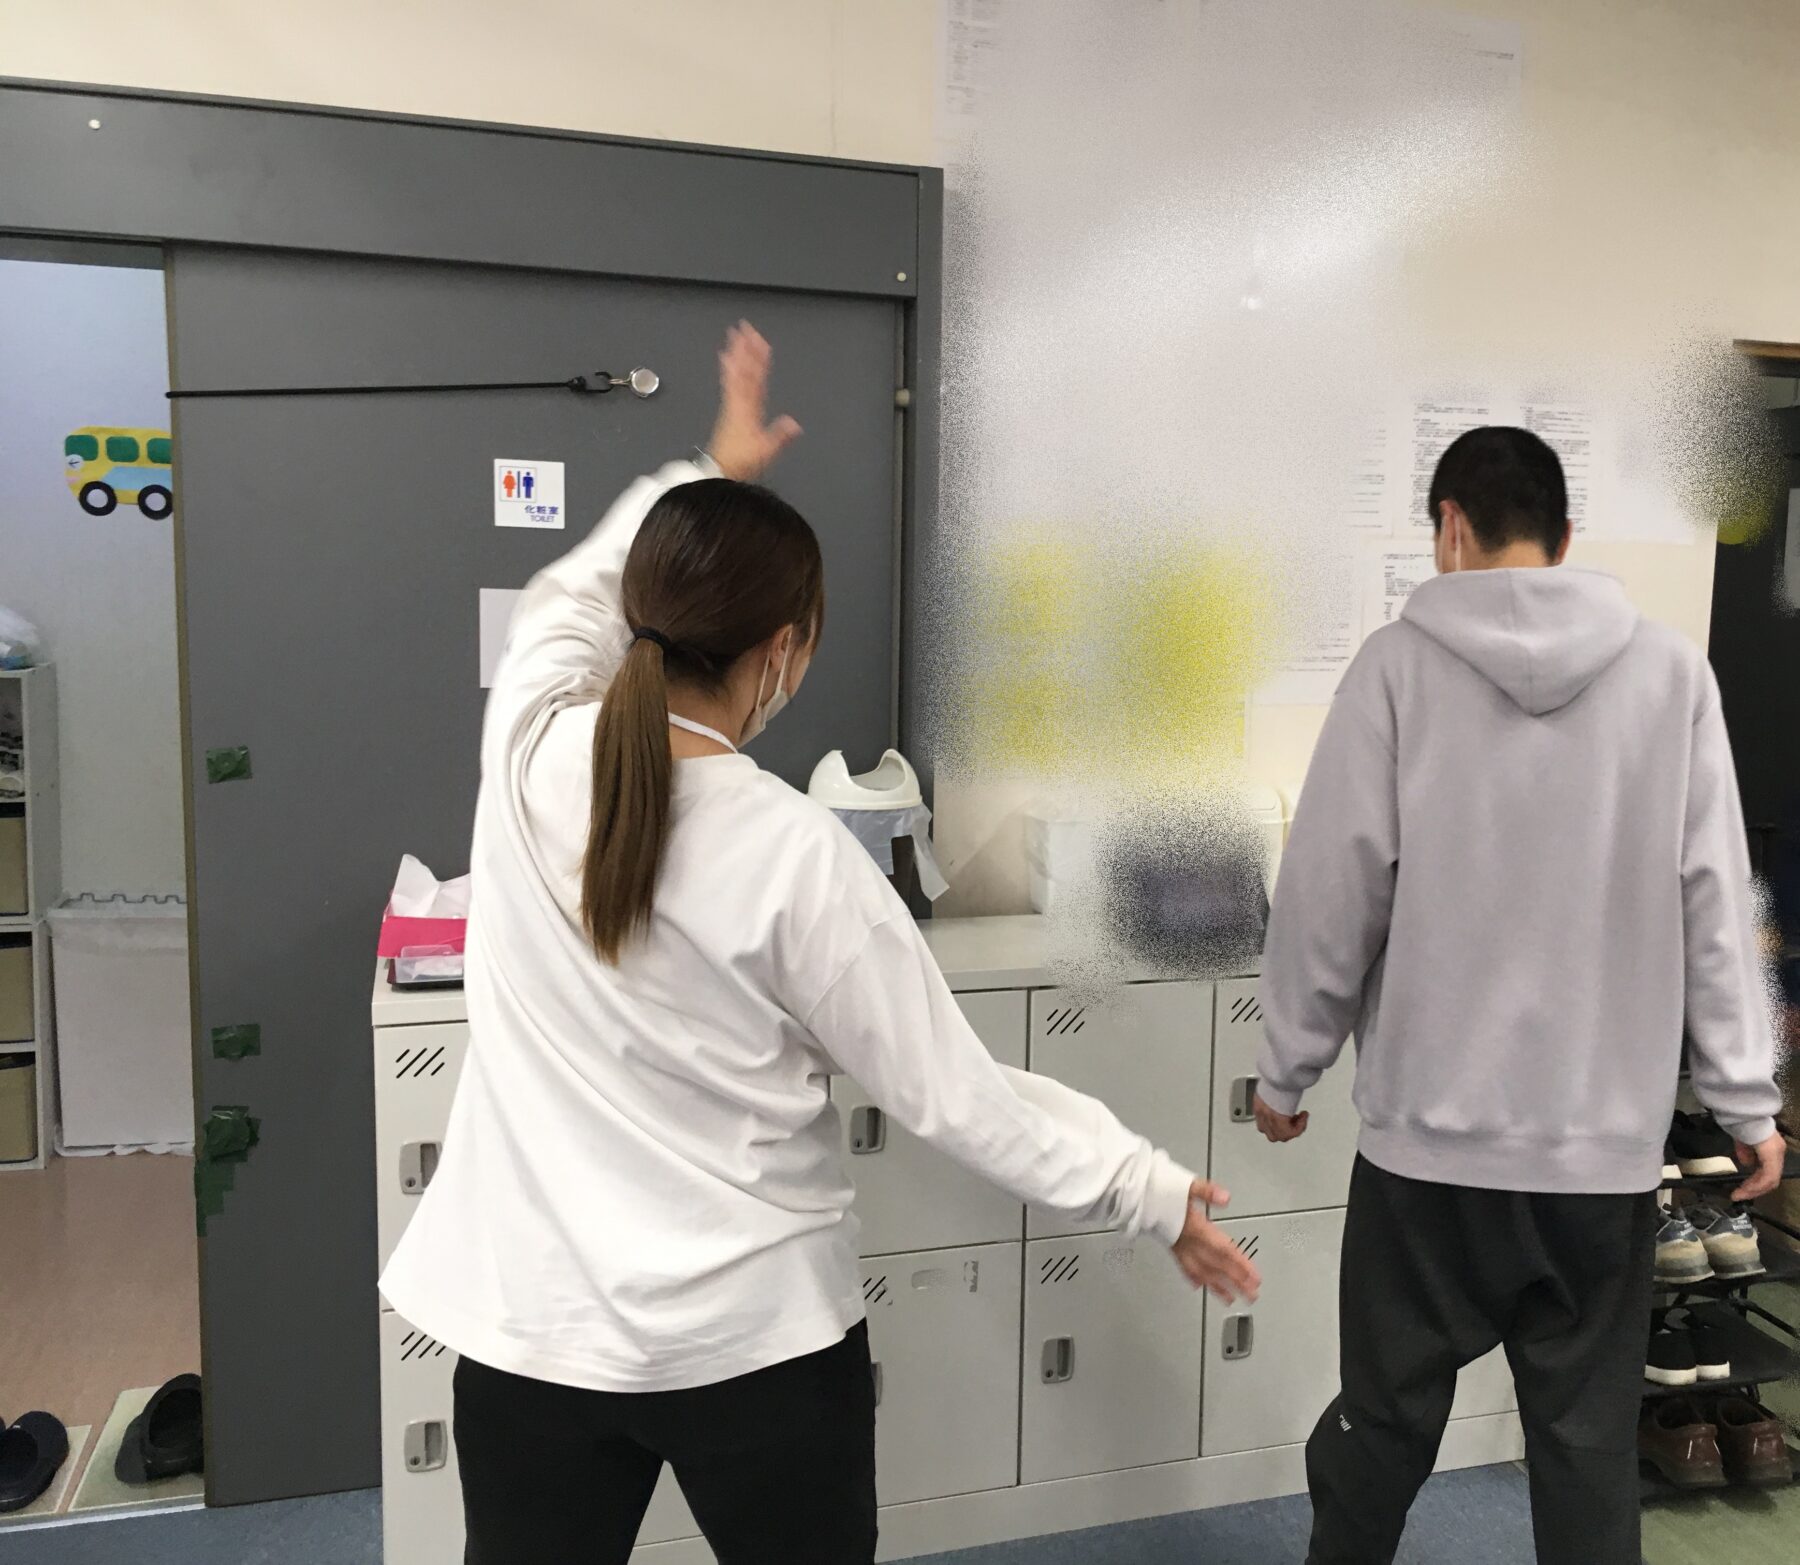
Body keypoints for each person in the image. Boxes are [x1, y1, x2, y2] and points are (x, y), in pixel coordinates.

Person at [378, 322, 1260, 1565]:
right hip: (759, 1348)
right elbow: (959, 1096)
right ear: (782, 652)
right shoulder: (798, 854)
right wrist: (1146, 1186)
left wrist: (709, 474)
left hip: (533, 1336)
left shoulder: (527, 745)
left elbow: (568, 591)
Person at [1252, 425, 1787, 1565]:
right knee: (1587, 1450)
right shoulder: (1672, 676)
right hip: (1598, 1159)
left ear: (1449, 524)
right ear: (1565, 536)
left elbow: (1332, 884)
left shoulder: (1395, 669)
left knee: (1381, 1425)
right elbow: (1714, 897)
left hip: (1426, 1155)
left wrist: (1287, 1065)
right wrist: (1747, 1099)